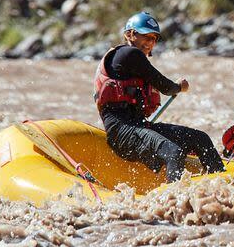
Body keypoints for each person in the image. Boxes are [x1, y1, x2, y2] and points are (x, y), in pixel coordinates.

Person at [94, 12, 225, 182]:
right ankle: (174, 201)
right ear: (129, 34)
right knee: (173, 152)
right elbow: (165, 86)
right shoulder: (129, 54)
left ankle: (222, 183)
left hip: (140, 127)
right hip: (122, 133)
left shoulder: (131, 61)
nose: (150, 42)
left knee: (200, 138)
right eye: (145, 36)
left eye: (154, 38)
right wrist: (179, 87)